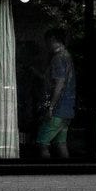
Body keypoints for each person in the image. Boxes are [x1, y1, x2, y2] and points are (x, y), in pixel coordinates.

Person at [36, 30, 75, 158]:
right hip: (68, 108)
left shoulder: (58, 58)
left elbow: (59, 84)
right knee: (61, 143)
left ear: (52, 39)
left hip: (58, 109)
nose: (46, 45)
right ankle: (69, 172)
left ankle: (45, 173)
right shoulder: (67, 56)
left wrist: (51, 107)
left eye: (47, 41)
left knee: (42, 143)